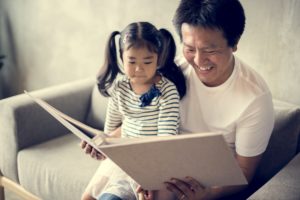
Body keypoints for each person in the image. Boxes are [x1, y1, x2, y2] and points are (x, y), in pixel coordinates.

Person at [163, 0, 275, 199]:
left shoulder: (255, 97)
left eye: (210, 51)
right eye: (189, 49)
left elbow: (244, 173)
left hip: (210, 185)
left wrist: (207, 194)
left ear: (234, 43)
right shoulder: (173, 72)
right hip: (165, 174)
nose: (198, 61)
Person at [81, 21, 186, 200]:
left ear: (158, 59)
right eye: (131, 61)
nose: (139, 69)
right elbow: (111, 131)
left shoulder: (167, 91)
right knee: (88, 197)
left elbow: (165, 143)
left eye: (147, 61)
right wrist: (101, 144)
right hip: (125, 157)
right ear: (122, 57)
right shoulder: (120, 87)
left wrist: (149, 176)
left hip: (157, 161)